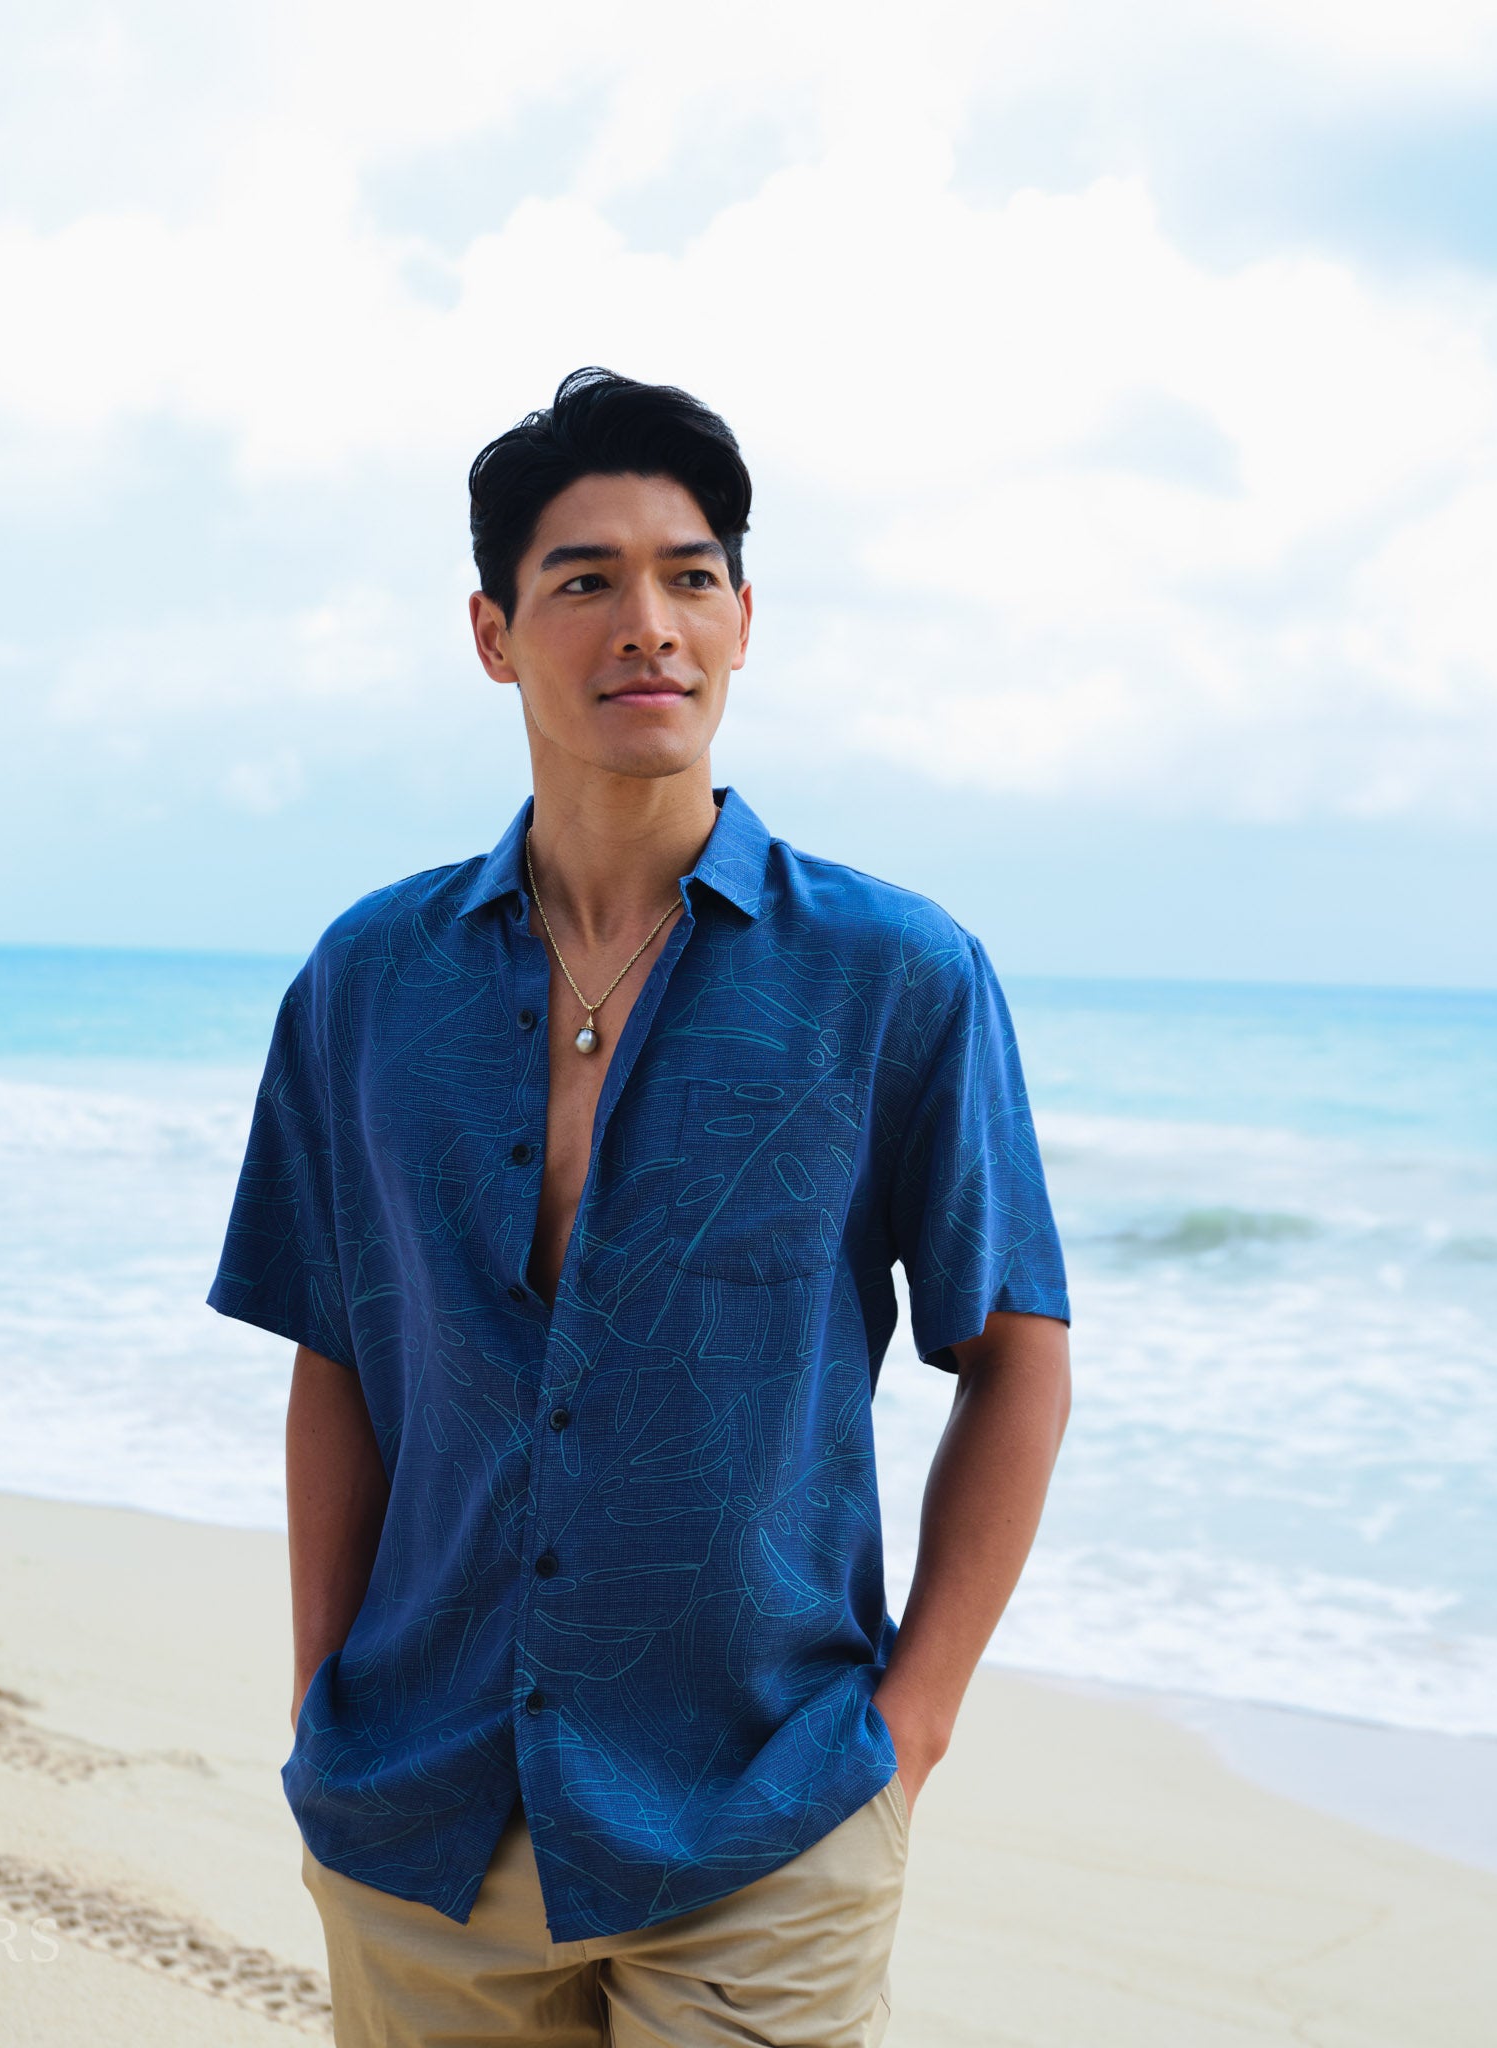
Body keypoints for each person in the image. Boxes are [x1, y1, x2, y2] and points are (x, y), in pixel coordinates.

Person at [209, 366, 1072, 2047]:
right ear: (493, 632)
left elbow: (1016, 1354)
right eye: (583, 580)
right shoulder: (368, 981)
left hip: (763, 1819)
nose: (646, 624)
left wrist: (917, 1724)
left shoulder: (895, 978)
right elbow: (335, 1356)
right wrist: (326, 1695)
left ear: (745, 621)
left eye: (688, 577)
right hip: (420, 1823)